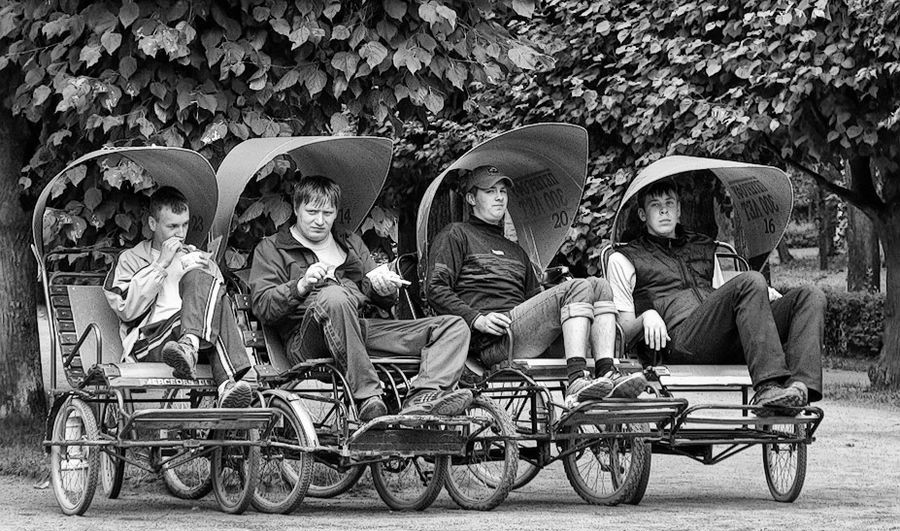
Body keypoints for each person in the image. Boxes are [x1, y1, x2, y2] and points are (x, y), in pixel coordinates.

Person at [249, 176, 473, 422]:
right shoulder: (272, 249)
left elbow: (380, 296)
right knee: (333, 296)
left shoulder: (350, 243)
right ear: (296, 208)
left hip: (361, 329)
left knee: (454, 326)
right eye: (312, 212)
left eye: (328, 212)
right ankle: (367, 397)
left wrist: (384, 287)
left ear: (336, 213)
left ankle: (423, 397)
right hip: (307, 339)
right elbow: (262, 306)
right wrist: (300, 285)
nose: (320, 221)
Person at [426, 165, 646, 407]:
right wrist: (476, 318)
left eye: (503, 191)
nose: (500, 197)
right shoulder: (455, 234)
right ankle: (576, 379)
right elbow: (435, 288)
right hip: (491, 342)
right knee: (577, 287)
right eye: (490, 191)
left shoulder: (516, 250)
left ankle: (606, 372)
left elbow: (536, 300)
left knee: (600, 285)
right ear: (471, 198)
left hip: (522, 331)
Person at [606, 177, 825, 415]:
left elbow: (724, 297)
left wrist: (761, 297)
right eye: (654, 205)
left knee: (810, 296)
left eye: (669, 203)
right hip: (680, 340)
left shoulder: (704, 247)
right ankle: (768, 388)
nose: (663, 210)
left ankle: (798, 390)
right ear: (641, 214)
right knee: (751, 280)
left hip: (723, 336)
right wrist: (647, 316)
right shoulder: (624, 257)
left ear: (679, 210)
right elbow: (624, 331)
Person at [104, 186, 253, 408]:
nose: (181, 233)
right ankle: (226, 381)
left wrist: (209, 272)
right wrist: (161, 264)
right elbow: (126, 309)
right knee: (202, 296)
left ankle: (194, 351)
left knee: (203, 281)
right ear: (153, 224)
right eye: (172, 226)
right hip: (150, 342)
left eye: (185, 225)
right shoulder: (131, 259)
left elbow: (220, 307)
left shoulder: (196, 256)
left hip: (195, 343)